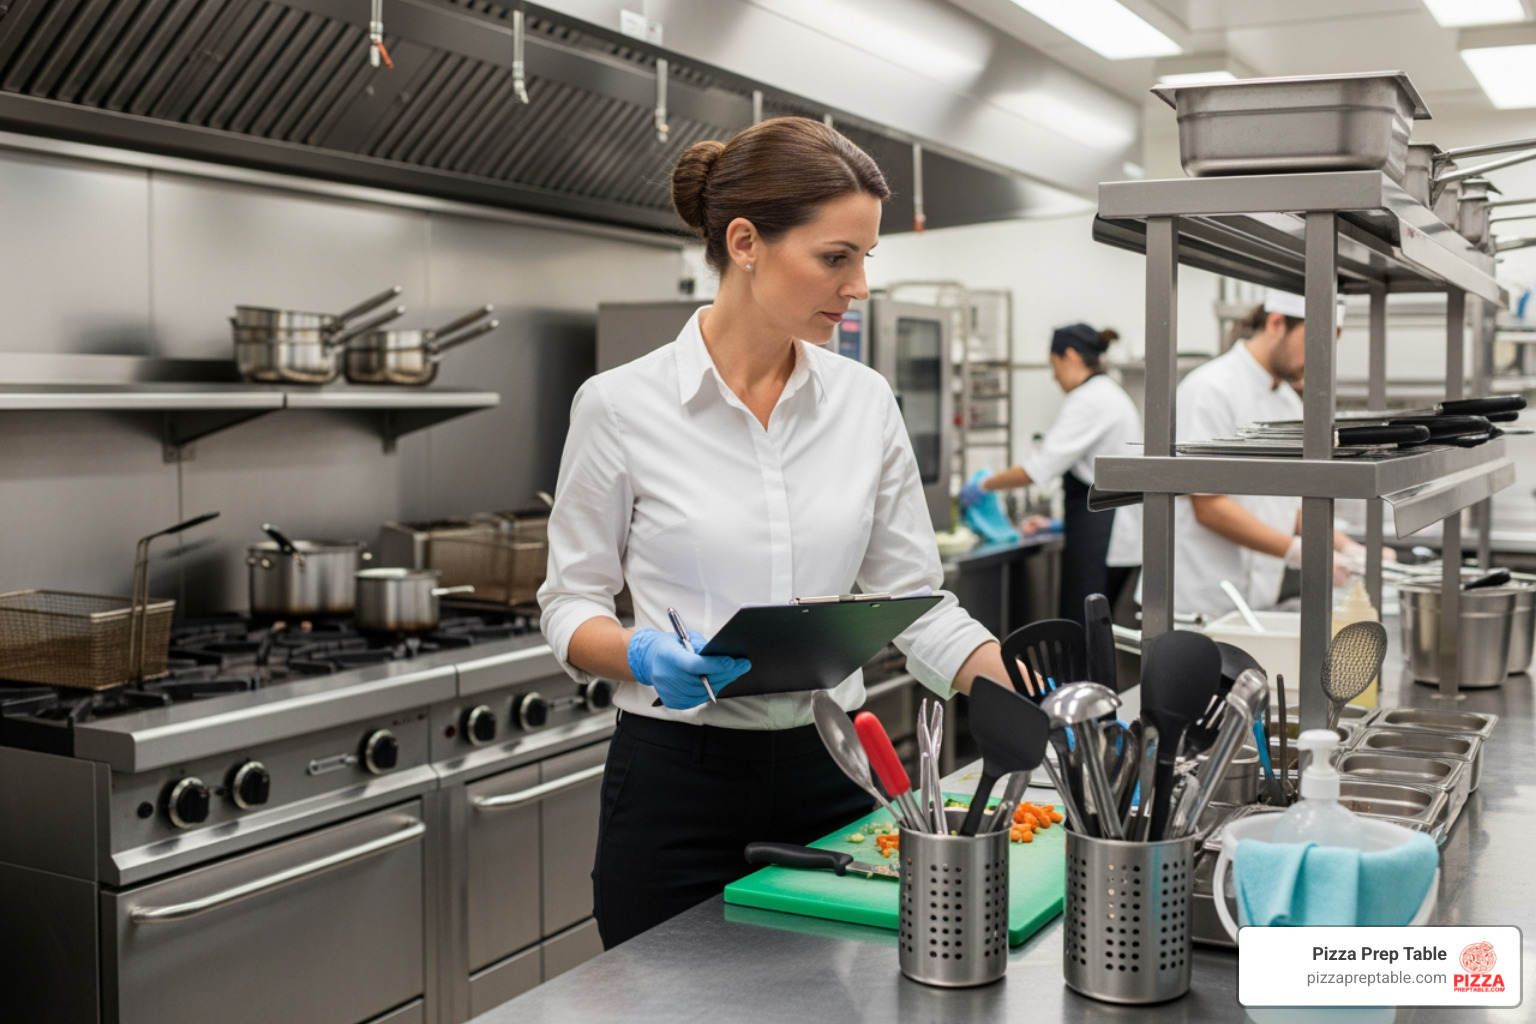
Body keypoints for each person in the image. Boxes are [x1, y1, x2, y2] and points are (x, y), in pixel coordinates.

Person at [538, 117, 1010, 950]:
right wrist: (642, 656)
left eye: (866, 258)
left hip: (834, 771)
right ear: (746, 241)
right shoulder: (618, 406)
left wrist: (1029, 697)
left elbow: (916, 605)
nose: (858, 285)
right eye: (837, 257)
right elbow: (569, 602)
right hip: (673, 783)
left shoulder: (864, 404)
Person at [1172, 289, 1382, 619]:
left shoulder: (1287, 401)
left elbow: (1288, 505)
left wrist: (1346, 547)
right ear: (1275, 323)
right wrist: (1298, 551)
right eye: (1314, 345)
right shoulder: (1211, 389)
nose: (1320, 361)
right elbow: (1207, 504)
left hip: (1255, 602)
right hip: (1201, 603)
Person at [959, 324, 1140, 625]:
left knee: (1079, 633)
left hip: (1103, 536)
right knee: (1090, 633)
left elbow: (1037, 469)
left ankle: (1079, 676)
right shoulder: (1109, 394)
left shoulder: (1089, 400)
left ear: (1069, 356)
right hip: (1108, 528)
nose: (1054, 377)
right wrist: (1058, 524)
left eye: (1053, 366)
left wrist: (984, 485)